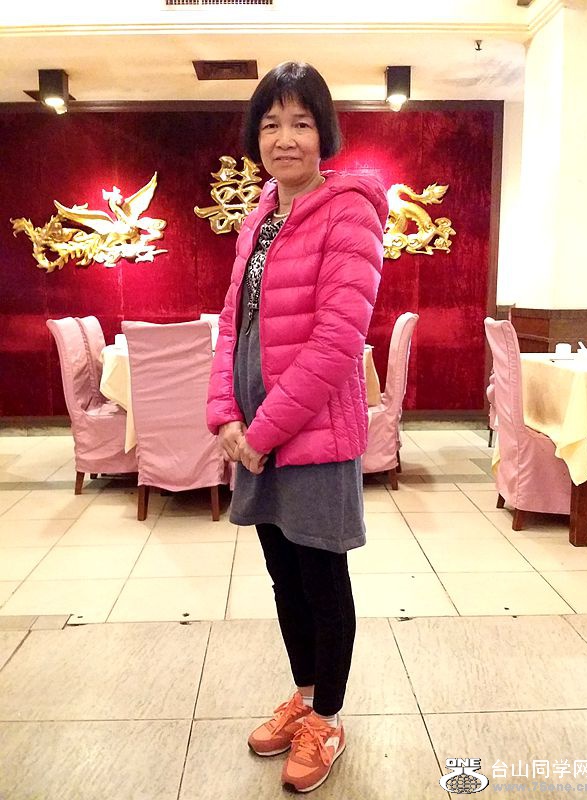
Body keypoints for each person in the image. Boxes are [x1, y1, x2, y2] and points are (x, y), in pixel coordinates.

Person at [206, 61, 387, 793]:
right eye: (272, 123)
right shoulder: (261, 215)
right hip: (256, 432)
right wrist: (225, 412)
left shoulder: (349, 213)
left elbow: (338, 341)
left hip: (309, 433)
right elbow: (233, 322)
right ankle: (305, 697)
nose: (285, 138)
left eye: (301, 123)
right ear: (256, 135)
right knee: (284, 576)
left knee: (321, 577)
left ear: (324, 134)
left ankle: (329, 719)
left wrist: (263, 431)